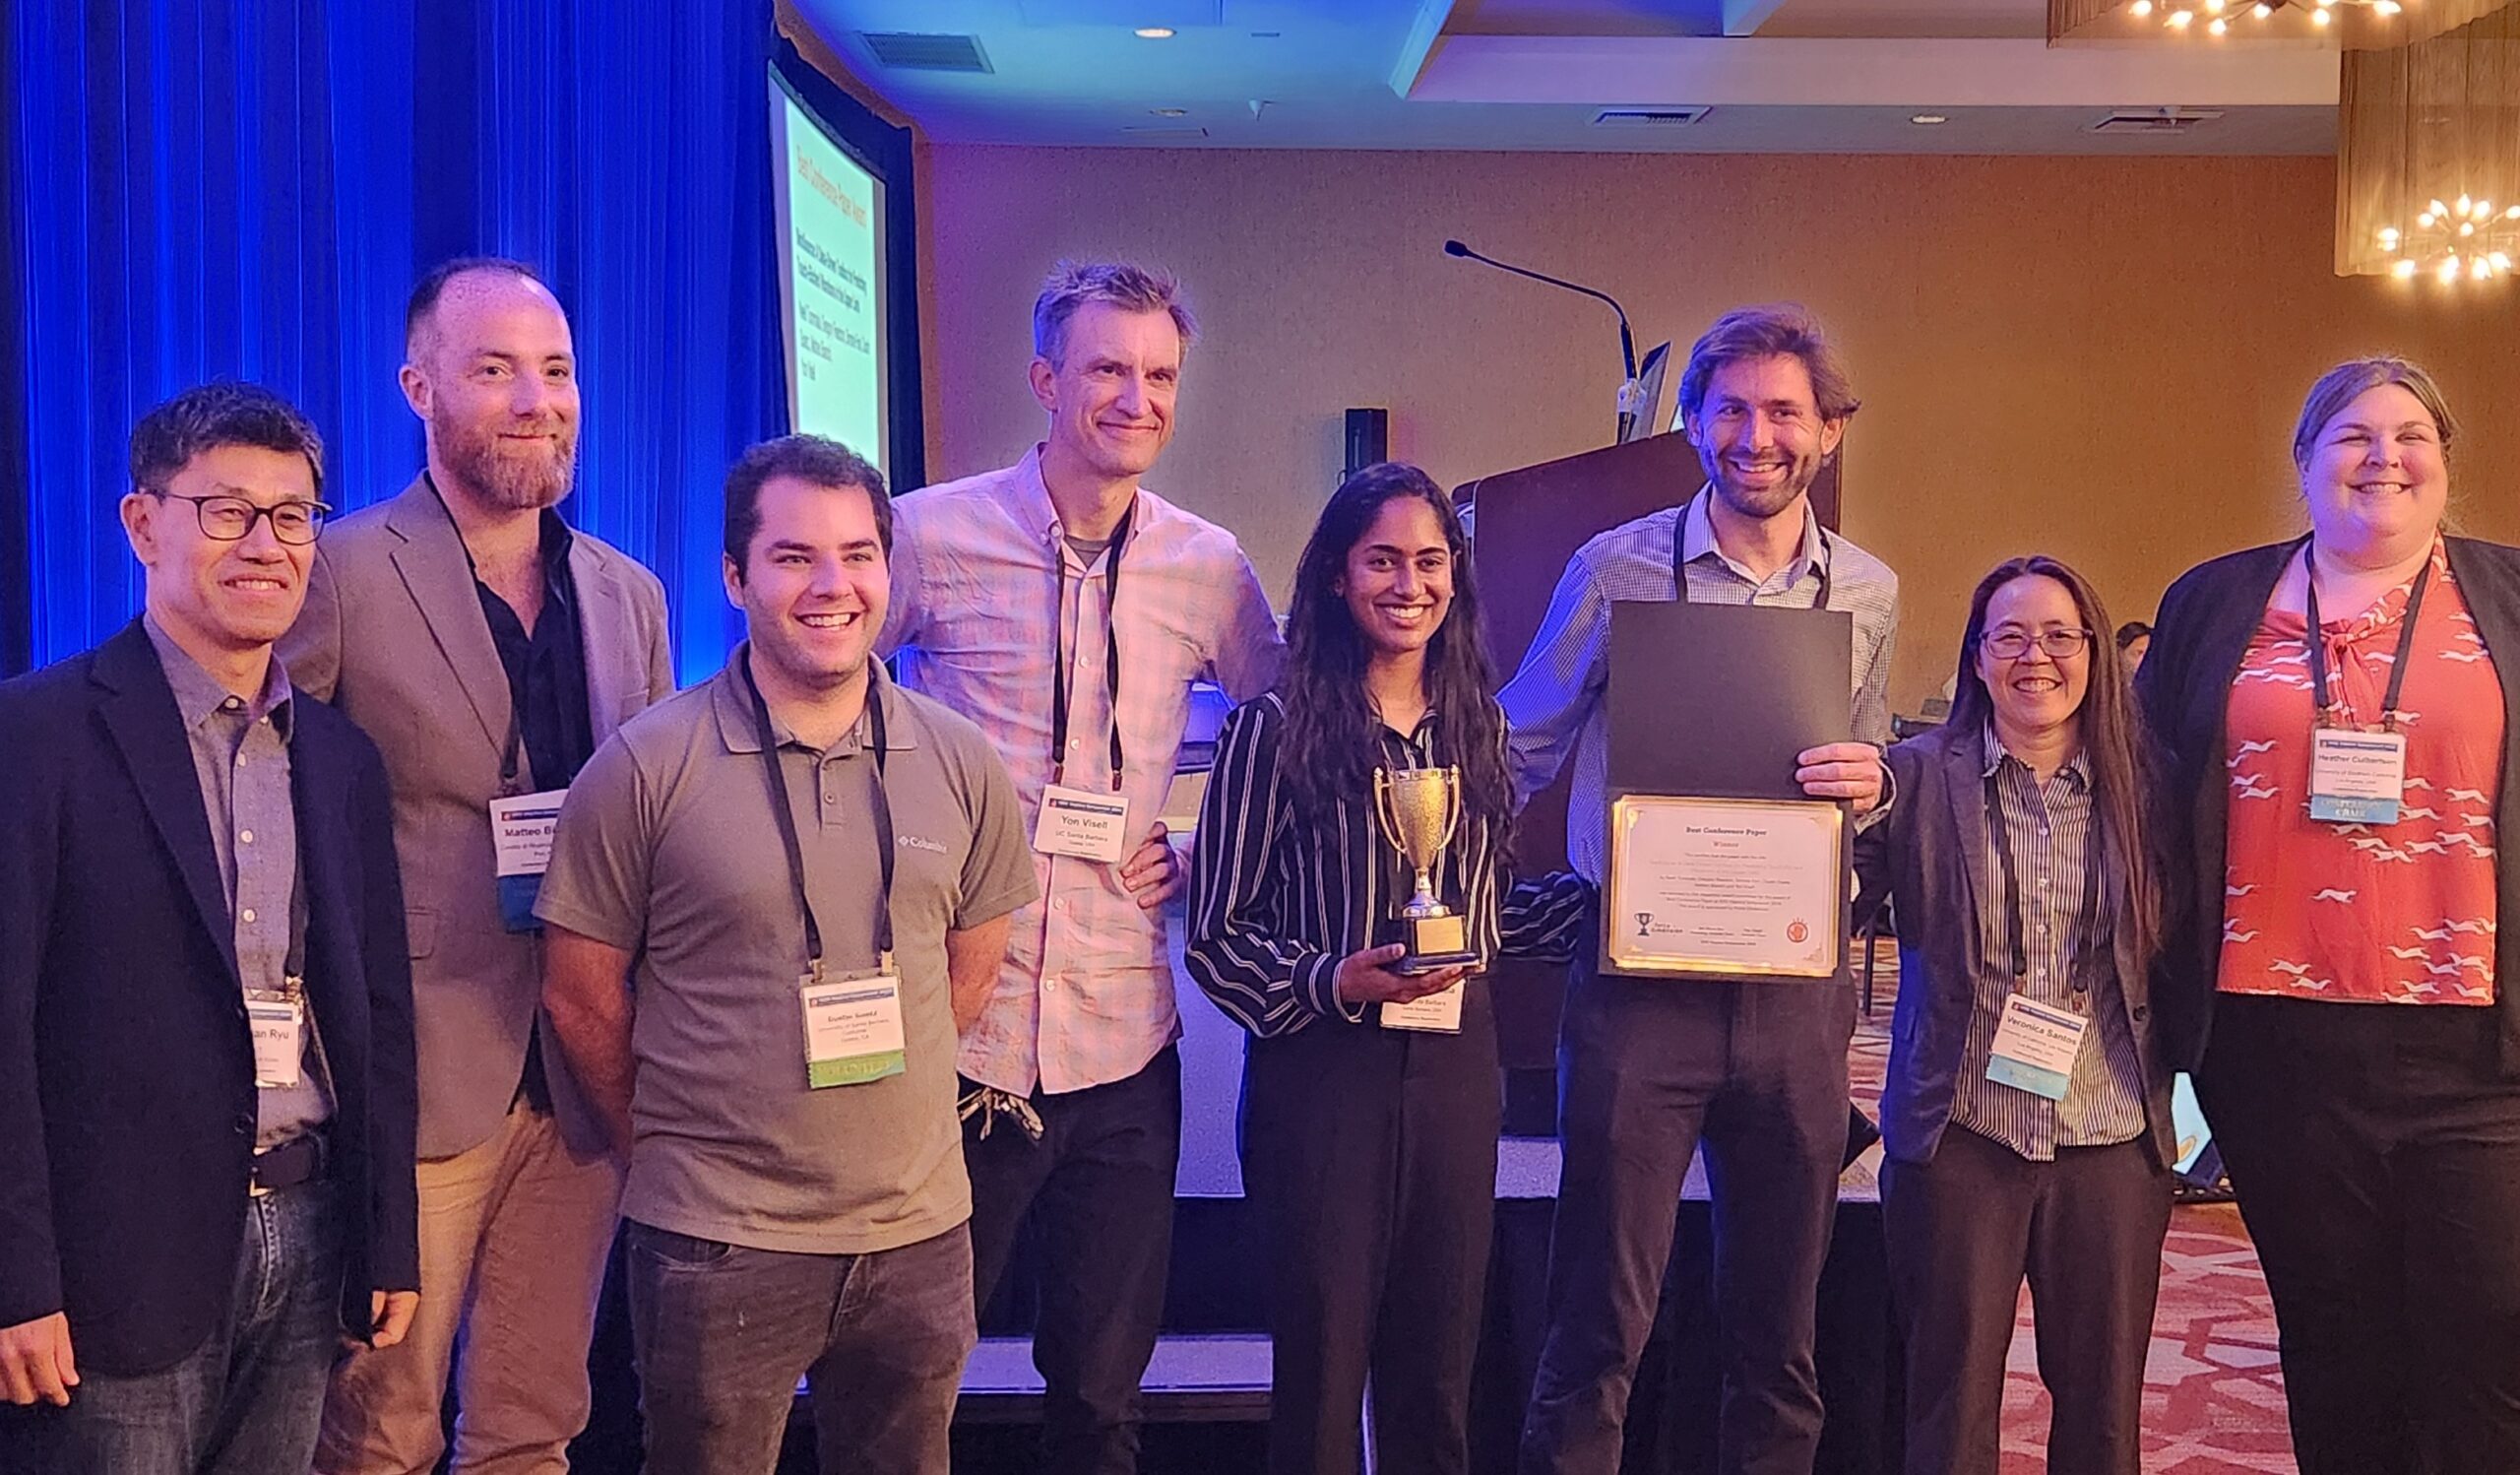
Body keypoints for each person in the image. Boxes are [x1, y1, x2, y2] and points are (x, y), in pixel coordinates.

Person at [536, 435, 1037, 1475]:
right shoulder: (643, 767)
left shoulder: (961, 759)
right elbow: (579, 996)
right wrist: (668, 1151)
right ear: (734, 576)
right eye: (794, 557)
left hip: (917, 1233)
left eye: (858, 555)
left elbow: (971, 972)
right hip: (718, 1240)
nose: (832, 586)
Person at [878, 259, 1284, 1473]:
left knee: (1102, 1398)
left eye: (1159, 375)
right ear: (1045, 379)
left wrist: (1203, 851)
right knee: (910, 1381)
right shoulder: (927, 531)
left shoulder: (1208, 563)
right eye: (1108, 368)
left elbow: (1287, 734)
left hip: (1122, 1044)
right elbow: (827, 688)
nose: (1136, 398)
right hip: (966, 1033)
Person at [283, 258, 674, 1475]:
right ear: (419, 388)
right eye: (496, 369)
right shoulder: (338, 571)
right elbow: (276, 823)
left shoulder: (629, 594)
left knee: (534, 1423)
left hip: (581, 1076)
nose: (535, 400)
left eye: (556, 371)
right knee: (380, 1431)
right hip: (415, 1080)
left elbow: (651, 840)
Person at [1504, 302, 1899, 1475]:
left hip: (1794, 999)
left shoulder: (1868, 589)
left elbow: (1865, 760)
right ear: (1691, 423)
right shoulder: (1614, 564)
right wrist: (1393, 813)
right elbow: (1524, 736)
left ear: (1828, 431)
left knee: (1778, 1337)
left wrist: (1873, 781)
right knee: (1597, 1321)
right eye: (1731, 409)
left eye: (1784, 411)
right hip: (1638, 992)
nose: (1756, 436)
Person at [0, 384, 418, 1473]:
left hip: (308, 1233)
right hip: (112, 1260)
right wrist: (15, 1280)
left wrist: (389, 1235)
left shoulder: (340, 759)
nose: (266, 545)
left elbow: (376, 1018)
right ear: (144, 525)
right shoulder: (34, 737)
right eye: (227, 512)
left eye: (293, 516)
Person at [2139, 356, 2520, 1475]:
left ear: (2444, 462)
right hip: (2274, 1046)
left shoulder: (2508, 596)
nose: (2382, 457)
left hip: (2479, 1051)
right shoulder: (2214, 601)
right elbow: (2142, 783)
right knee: (2334, 1337)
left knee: (2487, 1339)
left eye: (2410, 436)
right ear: (2304, 460)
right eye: (2352, 435)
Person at [1185, 464, 1588, 1475]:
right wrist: (1334, 980)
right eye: (1382, 561)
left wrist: (1623, 907)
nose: (1409, 584)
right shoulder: (1270, 730)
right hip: (1323, 1084)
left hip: (1456, 1075)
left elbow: (1483, 913)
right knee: (1323, 1382)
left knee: (1438, 1379)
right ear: (1335, 574)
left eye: (1430, 561)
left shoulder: (1480, 728)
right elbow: (1219, 937)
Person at [1860, 557, 2174, 1475]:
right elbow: (1833, 903)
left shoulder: (2150, 786)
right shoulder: (1916, 779)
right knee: (1948, 1406)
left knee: (2105, 1414)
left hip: (2109, 1134)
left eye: (2059, 636)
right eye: (2010, 637)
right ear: (1978, 656)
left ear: (2093, 652)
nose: (2036, 657)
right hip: (1962, 1132)